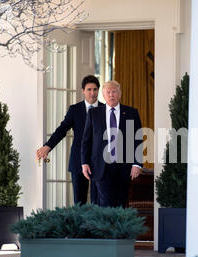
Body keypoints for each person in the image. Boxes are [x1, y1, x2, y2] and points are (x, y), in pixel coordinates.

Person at [36, 75, 103, 205]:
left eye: (95, 89)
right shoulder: (75, 110)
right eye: (89, 89)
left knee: (98, 201)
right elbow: (62, 130)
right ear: (83, 90)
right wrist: (48, 146)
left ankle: (97, 226)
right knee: (79, 202)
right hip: (78, 160)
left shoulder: (104, 110)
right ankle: (80, 226)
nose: (92, 93)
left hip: (99, 161)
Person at [81, 80, 143, 208]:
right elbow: (86, 140)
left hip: (124, 166)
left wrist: (137, 164)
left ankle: (117, 228)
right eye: (108, 92)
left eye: (114, 92)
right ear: (103, 95)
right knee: (106, 202)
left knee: (121, 202)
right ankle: (106, 228)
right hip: (101, 166)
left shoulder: (131, 113)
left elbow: (137, 140)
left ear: (119, 94)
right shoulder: (94, 113)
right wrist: (84, 163)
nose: (111, 95)